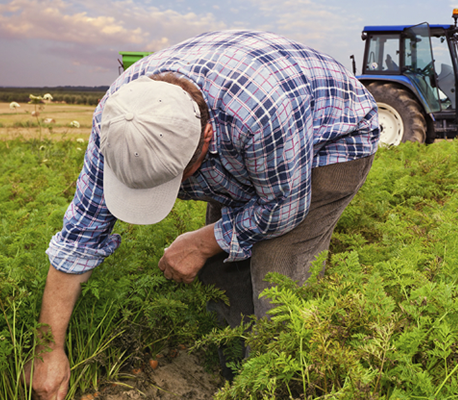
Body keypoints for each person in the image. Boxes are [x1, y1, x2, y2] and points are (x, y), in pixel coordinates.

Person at [26, 30, 379, 399]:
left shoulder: (258, 116)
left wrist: (204, 240)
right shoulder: (121, 120)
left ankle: (279, 384)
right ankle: (233, 376)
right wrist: (47, 350)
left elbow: (283, 208)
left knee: (279, 278)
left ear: (206, 137)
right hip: (250, 137)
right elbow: (80, 236)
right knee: (221, 273)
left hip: (331, 137)